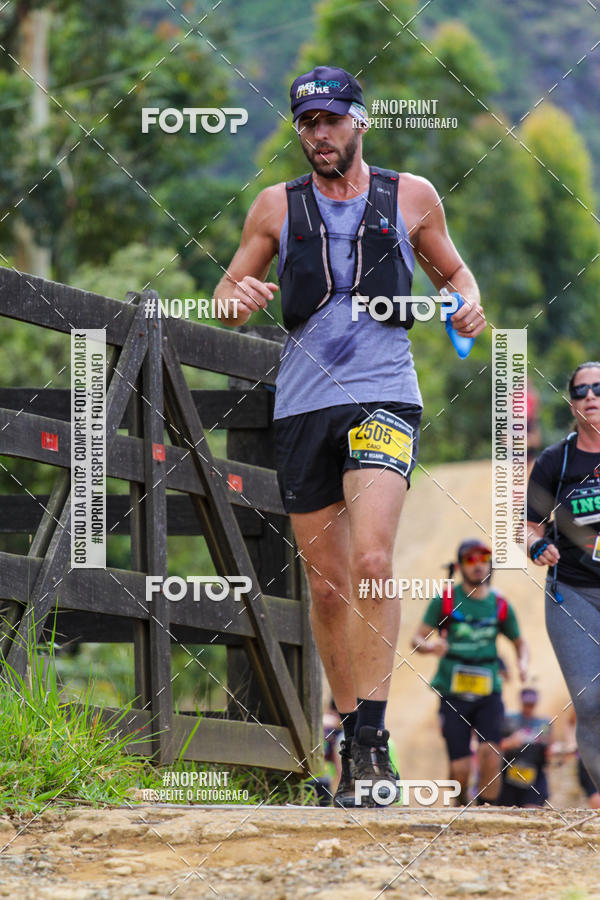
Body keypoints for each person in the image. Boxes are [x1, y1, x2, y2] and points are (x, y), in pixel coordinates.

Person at [214, 65, 486, 807]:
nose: (320, 135)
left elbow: (457, 276)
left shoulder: (412, 196)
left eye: (331, 121)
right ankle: (345, 735)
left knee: (371, 557)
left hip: (384, 395)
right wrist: (237, 295)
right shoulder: (276, 206)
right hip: (303, 407)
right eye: (307, 124)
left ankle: (372, 738)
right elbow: (228, 293)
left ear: (359, 122)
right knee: (330, 587)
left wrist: (466, 305)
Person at [526, 361, 600, 798]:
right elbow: (530, 523)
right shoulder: (557, 460)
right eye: (581, 391)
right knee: (591, 703)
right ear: (571, 404)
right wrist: (537, 546)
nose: (590, 396)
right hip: (571, 592)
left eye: (598, 389)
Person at [412, 539, 528, 805]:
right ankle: (461, 803)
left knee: (491, 754)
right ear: (460, 566)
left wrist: (522, 662)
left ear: (490, 564)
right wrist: (430, 646)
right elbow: (416, 639)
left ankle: (487, 812)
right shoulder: (446, 599)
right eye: (470, 560)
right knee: (461, 768)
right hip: (453, 692)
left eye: (483, 559)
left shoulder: (500, 605)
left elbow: (521, 644)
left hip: (489, 691)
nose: (478, 566)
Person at [499, 687, 551, 808]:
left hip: (534, 772)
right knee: (506, 810)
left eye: (531, 704)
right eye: (526, 704)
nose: (529, 707)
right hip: (509, 770)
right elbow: (496, 744)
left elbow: (549, 747)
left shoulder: (543, 723)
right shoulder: (509, 719)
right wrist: (510, 742)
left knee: (532, 809)